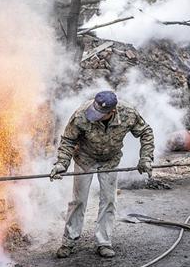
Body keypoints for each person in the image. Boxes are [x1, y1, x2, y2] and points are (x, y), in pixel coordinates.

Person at [50, 91, 154, 258]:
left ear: (112, 112)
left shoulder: (128, 113)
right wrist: (62, 163)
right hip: (84, 159)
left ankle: (103, 242)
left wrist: (146, 158)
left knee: (109, 200)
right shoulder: (81, 115)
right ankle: (69, 241)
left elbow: (146, 132)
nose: (94, 116)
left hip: (110, 161)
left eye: (100, 115)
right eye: (95, 111)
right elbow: (68, 140)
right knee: (78, 200)